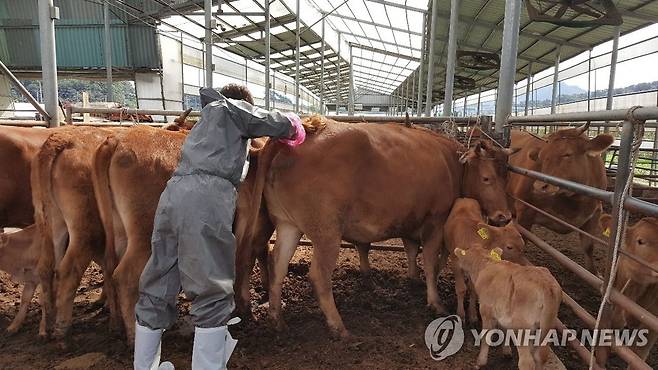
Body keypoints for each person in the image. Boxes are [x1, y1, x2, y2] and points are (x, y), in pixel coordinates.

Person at [133, 84, 305, 370]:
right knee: (212, 283)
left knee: (160, 277)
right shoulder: (230, 109)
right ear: (244, 104)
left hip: (174, 193)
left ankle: (144, 366)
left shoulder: (207, 119)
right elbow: (272, 121)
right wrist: (294, 126)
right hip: (207, 197)